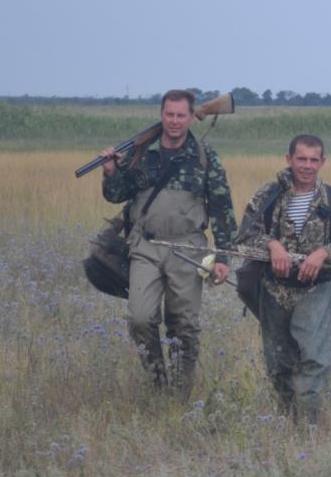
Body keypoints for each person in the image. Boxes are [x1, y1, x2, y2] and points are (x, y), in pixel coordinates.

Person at [100, 89, 234, 393]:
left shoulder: (204, 155)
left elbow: (222, 207)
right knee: (139, 317)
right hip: (146, 247)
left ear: (192, 117)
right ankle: (157, 384)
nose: (174, 121)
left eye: (181, 115)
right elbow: (117, 195)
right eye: (169, 114)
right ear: (161, 115)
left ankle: (180, 393)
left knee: (183, 324)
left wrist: (224, 257)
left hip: (188, 247)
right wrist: (111, 172)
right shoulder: (141, 152)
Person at [235, 134, 331, 425]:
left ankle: (309, 425)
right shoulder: (267, 195)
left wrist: (322, 253)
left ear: (323, 162)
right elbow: (244, 236)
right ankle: (289, 421)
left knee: (314, 357)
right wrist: (272, 245)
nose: (307, 165)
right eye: (301, 159)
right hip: (273, 288)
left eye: (314, 160)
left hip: (318, 287)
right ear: (288, 159)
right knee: (278, 363)